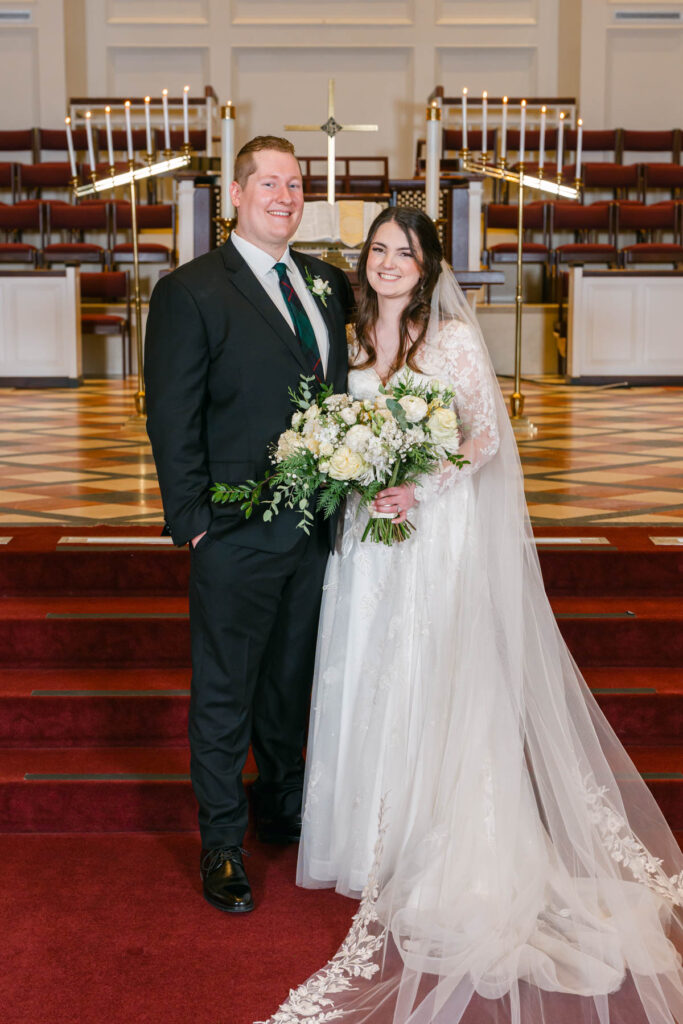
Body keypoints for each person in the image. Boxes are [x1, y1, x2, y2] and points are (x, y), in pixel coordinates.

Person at [259, 208, 683, 1023]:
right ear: (364, 262)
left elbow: (481, 437)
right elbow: (329, 428)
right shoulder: (344, 339)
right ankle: (363, 838)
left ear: (426, 268)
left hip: (429, 531)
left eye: (404, 254)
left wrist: (415, 485)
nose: (388, 264)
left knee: (428, 670)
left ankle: (429, 836)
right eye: (378, 251)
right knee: (362, 669)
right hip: (364, 538)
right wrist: (345, 467)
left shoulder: (449, 341)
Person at [144, 136, 354, 914]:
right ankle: (223, 842)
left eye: (294, 185)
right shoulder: (192, 290)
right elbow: (170, 415)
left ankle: (279, 802)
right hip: (232, 533)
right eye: (269, 182)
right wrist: (195, 523)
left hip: (315, 531)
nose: (284, 195)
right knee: (226, 692)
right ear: (235, 194)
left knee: (291, 680)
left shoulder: (327, 284)